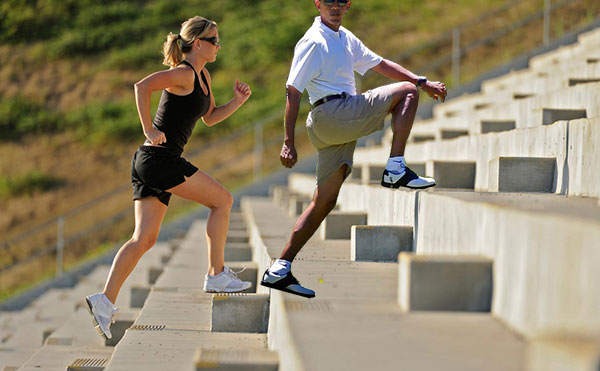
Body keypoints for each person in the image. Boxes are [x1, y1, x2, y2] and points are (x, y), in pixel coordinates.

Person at [260, 0, 447, 298]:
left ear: (348, 5)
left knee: (324, 201)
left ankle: (279, 268)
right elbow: (292, 92)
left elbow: (381, 64)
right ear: (317, 3)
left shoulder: (345, 38)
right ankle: (395, 168)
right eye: (328, 1)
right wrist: (288, 142)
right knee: (407, 93)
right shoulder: (313, 42)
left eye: (340, 1)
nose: (334, 6)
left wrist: (421, 79)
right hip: (331, 114)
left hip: (336, 122)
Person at [85, 16, 253, 339]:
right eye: (214, 40)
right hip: (159, 159)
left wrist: (239, 101)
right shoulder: (184, 74)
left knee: (144, 238)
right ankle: (216, 274)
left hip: (152, 162)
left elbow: (211, 117)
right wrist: (148, 128)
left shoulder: (202, 76)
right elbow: (142, 86)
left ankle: (103, 301)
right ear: (199, 43)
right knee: (223, 201)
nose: (219, 46)